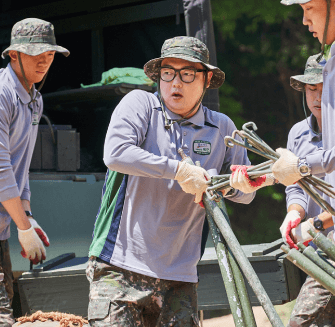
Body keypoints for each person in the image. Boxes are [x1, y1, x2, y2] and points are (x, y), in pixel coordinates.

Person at [86, 36, 264, 326]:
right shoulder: (140, 104)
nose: (175, 83)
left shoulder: (222, 127)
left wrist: (234, 186)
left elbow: (245, 195)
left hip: (179, 277)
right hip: (119, 265)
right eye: (168, 73)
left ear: (206, 80)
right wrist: (180, 170)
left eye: (187, 74)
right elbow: (116, 153)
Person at [0, 18, 69, 326]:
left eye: (50, 53)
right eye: (35, 52)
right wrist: (24, 229)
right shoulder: (1, 95)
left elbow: (21, 168)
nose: (44, 60)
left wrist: (26, 216)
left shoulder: (34, 101)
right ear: (13, 54)